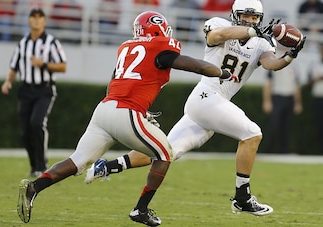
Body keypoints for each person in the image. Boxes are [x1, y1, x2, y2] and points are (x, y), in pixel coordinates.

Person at [85, 0, 306, 217]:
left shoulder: (260, 43)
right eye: (246, 16)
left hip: (214, 103)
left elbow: (271, 64)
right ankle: (242, 197)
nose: (250, 21)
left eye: (254, 17)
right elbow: (216, 36)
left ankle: (107, 166)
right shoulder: (219, 24)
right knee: (252, 134)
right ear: (235, 15)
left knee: (166, 151)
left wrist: (290, 55)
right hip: (206, 97)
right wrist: (250, 31)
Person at [16, 10, 237, 226]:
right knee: (165, 154)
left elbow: (114, 81)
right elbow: (197, 66)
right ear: (157, 29)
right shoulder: (161, 48)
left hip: (105, 108)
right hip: (125, 111)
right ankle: (140, 209)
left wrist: (133, 109)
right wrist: (222, 73)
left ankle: (34, 187)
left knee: (77, 160)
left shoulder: (127, 48)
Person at [1, 8, 67, 177]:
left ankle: (42, 163)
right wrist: (8, 81)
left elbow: (62, 66)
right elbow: (13, 66)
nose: (36, 20)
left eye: (40, 17)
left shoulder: (52, 42)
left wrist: (43, 64)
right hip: (25, 89)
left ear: (44, 21)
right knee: (25, 130)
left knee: (37, 123)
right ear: (29, 21)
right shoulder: (23, 43)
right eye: (33, 17)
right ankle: (34, 166)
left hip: (44, 89)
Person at [262, 57, 303, 154]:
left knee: (286, 126)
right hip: (277, 98)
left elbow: (296, 85)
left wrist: (298, 103)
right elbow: (268, 84)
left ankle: (283, 151)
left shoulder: (294, 67)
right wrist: (267, 101)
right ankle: (269, 150)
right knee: (275, 125)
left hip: (289, 98)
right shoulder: (275, 64)